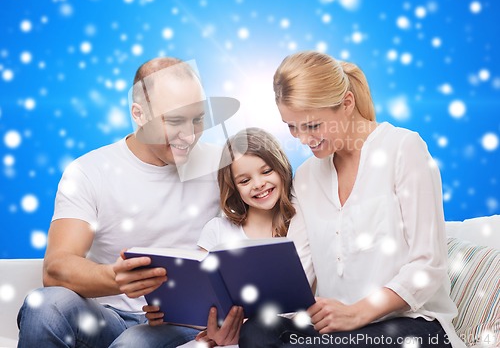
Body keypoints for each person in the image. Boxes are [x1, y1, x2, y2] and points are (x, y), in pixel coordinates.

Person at [239, 51, 466, 348]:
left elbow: (428, 266)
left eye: (312, 125)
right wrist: (240, 311)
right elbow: (298, 269)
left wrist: (357, 313)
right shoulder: (307, 176)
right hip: (337, 330)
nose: (303, 139)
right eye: (292, 126)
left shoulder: (403, 149)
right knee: (258, 331)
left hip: (413, 325)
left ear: (347, 104)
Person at [17, 57, 237, 348]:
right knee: (43, 306)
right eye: (174, 121)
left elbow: (265, 229)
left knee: (133, 345)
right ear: (139, 114)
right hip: (107, 316)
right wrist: (113, 277)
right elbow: (56, 267)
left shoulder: (222, 165)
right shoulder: (89, 171)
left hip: (183, 323)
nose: (190, 134)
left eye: (197, 118)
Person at [127, 127, 298, 347]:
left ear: (281, 167)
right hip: (225, 337)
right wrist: (169, 313)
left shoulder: (299, 224)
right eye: (244, 181)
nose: (258, 184)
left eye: (266, 172)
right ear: (234, 187)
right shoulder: (218, 230)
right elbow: (203, 299)